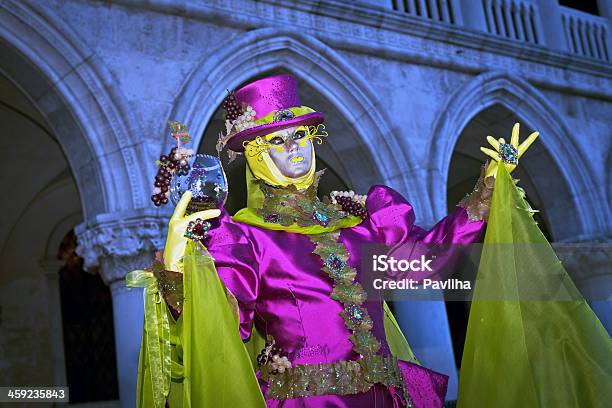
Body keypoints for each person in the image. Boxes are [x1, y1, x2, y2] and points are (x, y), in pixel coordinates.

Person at [130, 74, 538, 408]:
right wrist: (175, 266)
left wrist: (485, 193)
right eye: (278, 140)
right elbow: (219, 327)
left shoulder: (360, 223)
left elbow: (424, 260)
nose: (294, 147)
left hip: (384, 397)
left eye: (302, 135)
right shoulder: (247, 238)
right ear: (255, 155)